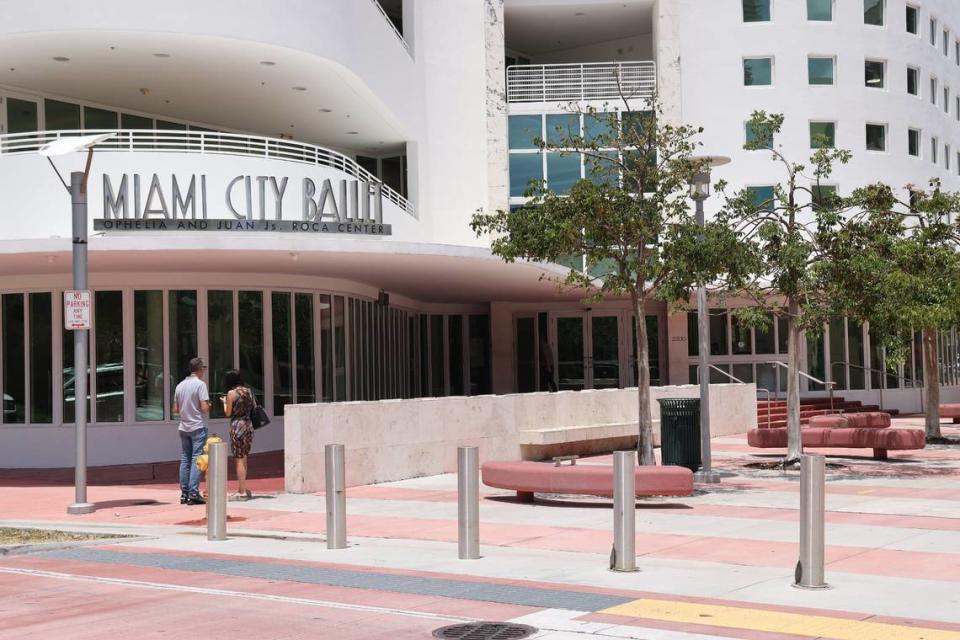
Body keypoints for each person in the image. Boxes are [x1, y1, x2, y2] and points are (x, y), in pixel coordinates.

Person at [173, 357, 210, 505]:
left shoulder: (180, 385)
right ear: (200, 369)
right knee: (196, 459)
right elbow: (205, 409)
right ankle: (194, 493)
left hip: (183, 427)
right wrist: (207, 405)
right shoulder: (200, 385)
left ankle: (184, 493)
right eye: (204, 369)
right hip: (197, 426)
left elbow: (175, 410)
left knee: (185, 459)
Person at [222, 369, 255, 501]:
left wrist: (224, 403)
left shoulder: (231, 393)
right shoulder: (249, 391)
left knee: (238, 459)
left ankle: (241, 491)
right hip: (248, 425)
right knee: (244, 457)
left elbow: (228, 413)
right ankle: (244, 487)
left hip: (237, 427)